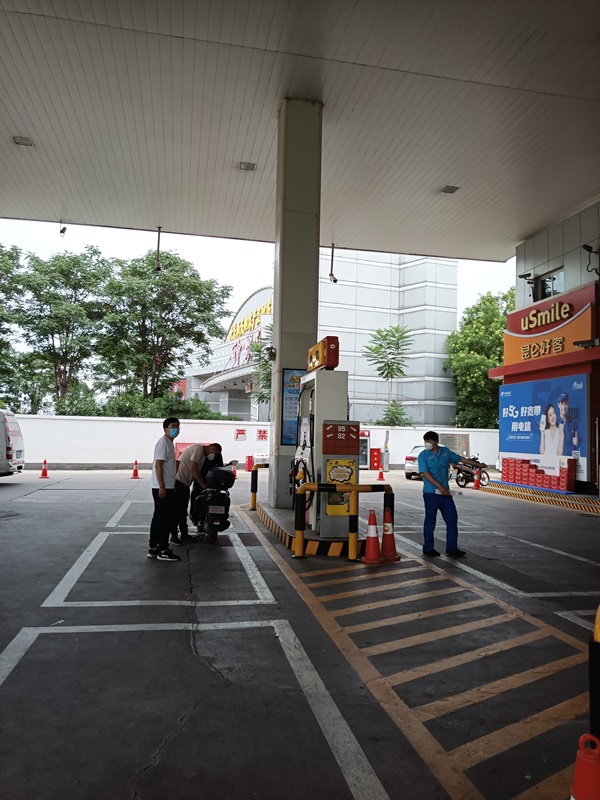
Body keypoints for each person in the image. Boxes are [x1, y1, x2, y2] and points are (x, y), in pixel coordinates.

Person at [417, 431, 486, 558]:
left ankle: (452, 548)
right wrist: (439, 487)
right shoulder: (423, 455)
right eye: (425, 441)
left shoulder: (445, 452)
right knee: (430, 521)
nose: (427, 443)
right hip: (431, 493)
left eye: (429, 441)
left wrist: (477, 464)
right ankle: (428, 548)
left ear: (436, 442)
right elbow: (425, 473)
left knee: (452, 519)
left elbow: (459, 459)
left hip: (445, 494)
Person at [172, 442, 222, 545]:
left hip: (185, 484)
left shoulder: (203, 456)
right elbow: (193, 469)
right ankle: (174, 536)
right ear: (212, 449)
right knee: (176, 511)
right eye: (215, 453)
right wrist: (203, 484)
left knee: (182, 511)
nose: (214, 456)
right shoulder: (198, 449)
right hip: (179, 483)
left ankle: (184, 534)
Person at [147, 417, 181, 562]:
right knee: (164, 519)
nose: (176, 429)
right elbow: (158, 465)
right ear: (165, 428)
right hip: (163, 487)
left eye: (177, 426)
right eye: (173, 426)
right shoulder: (163, 443)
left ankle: (154, 547)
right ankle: (163, 550)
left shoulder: (169, 443)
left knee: (158, 517)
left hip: (166, 486)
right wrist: (162, 487)